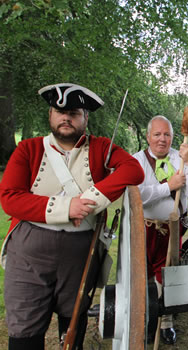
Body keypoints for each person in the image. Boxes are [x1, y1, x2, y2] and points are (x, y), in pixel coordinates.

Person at [0, 83, 145, 350]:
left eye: (75, 112)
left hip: (79, 253)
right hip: (29, 254)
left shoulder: (102, 148)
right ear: (51, 115)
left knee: (72, 325)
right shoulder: (28, 149)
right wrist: (67, 208)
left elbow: (133, 170)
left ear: (85, 118)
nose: (66, 117)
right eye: (59, 111)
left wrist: (90, 200)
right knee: (24, 327)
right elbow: (10, 197)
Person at [132, 115, 188, 345]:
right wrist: (168, 187)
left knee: (168, 275)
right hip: (144, 228)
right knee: (142, 275)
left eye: (166, 135)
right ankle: (145, 318)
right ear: (148, 136)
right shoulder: (137, 161)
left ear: (173, 137)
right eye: (157, 134)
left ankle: (166, 322)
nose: (162, 139)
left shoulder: (180, 158)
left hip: (173, 230)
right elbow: (137, 196)